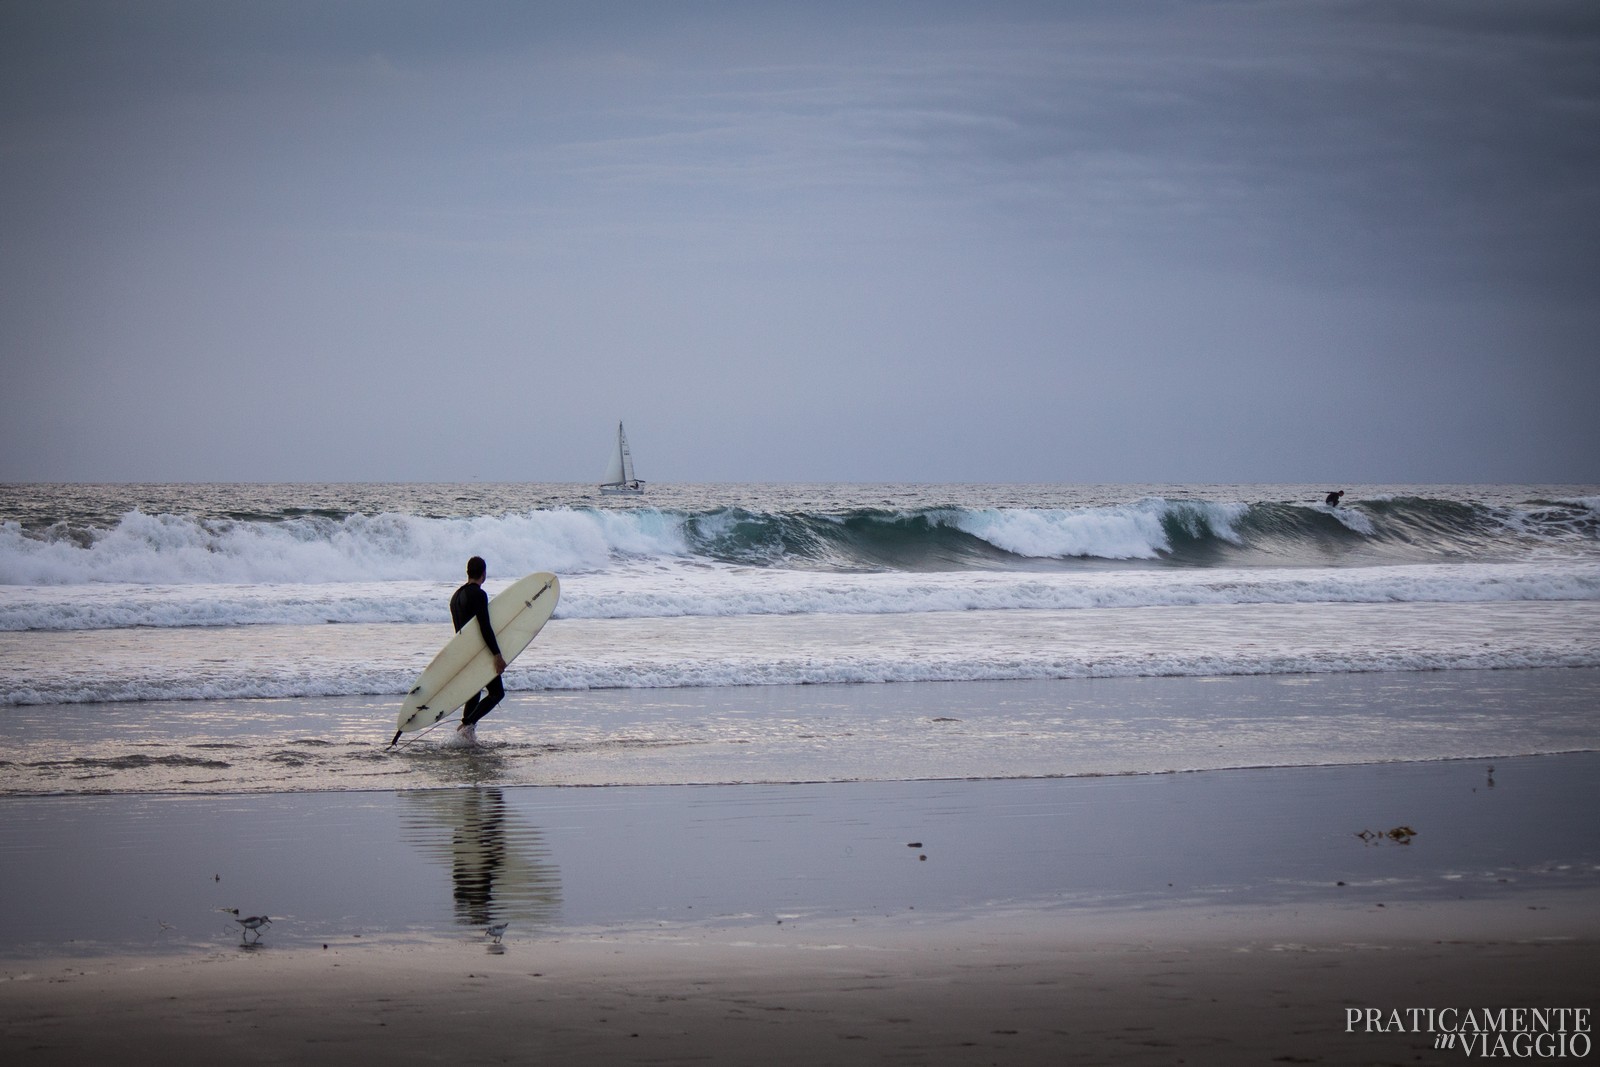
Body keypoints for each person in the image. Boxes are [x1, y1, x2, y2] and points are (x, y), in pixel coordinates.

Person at [451, 555, 507, 733]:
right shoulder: (479, 594)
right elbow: (485, 627)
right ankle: (467, 724)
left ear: (468, 572)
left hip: (464, 652)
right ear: (484, 573)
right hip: (479, 652)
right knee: (497, 692)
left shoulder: (456, 596)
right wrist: (497, 654)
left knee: (474, 692)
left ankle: (467, 736)